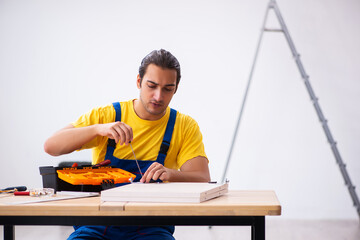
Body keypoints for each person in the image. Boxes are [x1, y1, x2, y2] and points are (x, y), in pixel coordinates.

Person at [44, 49, 210, 239]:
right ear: (139, 81)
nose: (158, 96)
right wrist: (97, 129)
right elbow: (51, 146)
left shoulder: (184, 126)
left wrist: (170, 174)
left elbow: (202, 177)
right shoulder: (108, 116)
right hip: (96, 225)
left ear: (176, 88)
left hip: (152, 227)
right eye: (152, 85)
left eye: (167, 89)